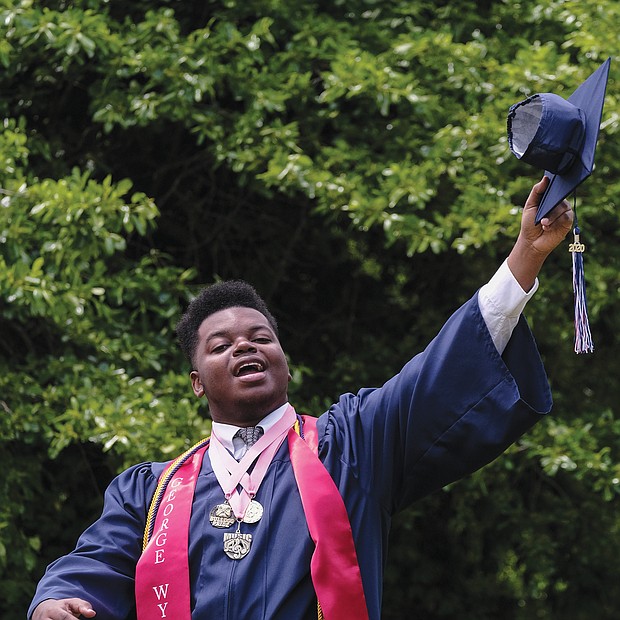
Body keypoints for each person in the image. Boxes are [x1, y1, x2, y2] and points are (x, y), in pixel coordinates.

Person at [29, 176, 573, 620]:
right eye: (221, 345)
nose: (245, 344)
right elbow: (94, 563)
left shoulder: (351, 447)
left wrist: (525, 255)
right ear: (197, 381)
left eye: (261, 337)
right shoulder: (148, 493)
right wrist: (55, 601)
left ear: (284, 361)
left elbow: (435, 376)